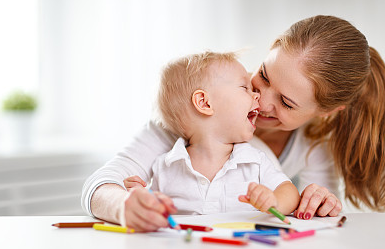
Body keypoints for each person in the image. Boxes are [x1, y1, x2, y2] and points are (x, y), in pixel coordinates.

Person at [82, 15, 385, 229]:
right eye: (264, 76)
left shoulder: (314, 146)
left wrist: (319, 206)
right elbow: (99, 186)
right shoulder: (190, 118)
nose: (261, 101)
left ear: (326, 113)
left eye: (286, 103)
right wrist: (125, 206)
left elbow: (309, 227)